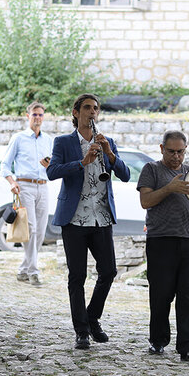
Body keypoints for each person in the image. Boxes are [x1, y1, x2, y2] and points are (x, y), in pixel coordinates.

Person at [47, 93, 131, 350]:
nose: (92, 112)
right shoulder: (63, 142)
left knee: (108, 271)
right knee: (77, 276)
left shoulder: (108, 141)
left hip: (101, 217)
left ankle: (92, 318)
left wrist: (110, 154)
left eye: (95, 108)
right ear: (75, 112)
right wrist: (82, 162)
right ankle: (81, 331)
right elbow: (52, 172)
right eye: (87, 108)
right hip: (74, 218)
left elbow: (125, 176)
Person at [137, 130, 189, 363]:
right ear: (161, 148)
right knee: (160, 295)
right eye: (171, 151)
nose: (176, 156)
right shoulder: (151, 170)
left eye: (180, 152)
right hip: (160, 240)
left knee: (187, 296)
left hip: (188, 241)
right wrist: (169, 188)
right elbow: (145, 201)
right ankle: (157, 341)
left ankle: (188, 347)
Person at [0, 101, 53, 286]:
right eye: (34, 114)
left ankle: (24, 269)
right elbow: (4, 165)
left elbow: (54, 164)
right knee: (30, 228)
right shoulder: (19, 138)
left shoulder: (48, 139)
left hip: (43, 185)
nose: (38, 118)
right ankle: (33, 271)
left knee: (40, 231)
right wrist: (12, 183)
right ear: (27, 115)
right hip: (24, 186)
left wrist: (50, 164)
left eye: (40, 115)